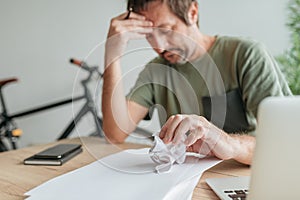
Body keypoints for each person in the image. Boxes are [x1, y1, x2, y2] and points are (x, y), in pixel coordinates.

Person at [102, 0, 291, 165]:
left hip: (241, 176)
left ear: (192, 13)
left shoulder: (244, 55)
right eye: (149, 35)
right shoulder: (155, 71)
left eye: (166, 30)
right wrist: (113, 55)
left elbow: (286, 141)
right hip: (183, 182)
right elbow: (115, 133)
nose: (159, 46)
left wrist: (226, 143)